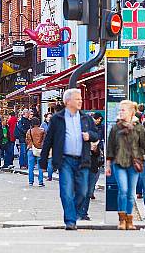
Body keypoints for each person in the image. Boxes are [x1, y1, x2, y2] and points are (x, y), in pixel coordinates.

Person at [40, 89, 99, 231]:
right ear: (68, 102)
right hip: (65, 160)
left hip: (82, 160)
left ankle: (73, 212)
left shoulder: (86, 118)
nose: (80, 101)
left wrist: (89, 136)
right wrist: (43, 161)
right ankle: (70, 220)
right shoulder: (57, 119)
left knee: (83, 191)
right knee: (66, 190)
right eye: (77, 99)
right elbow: (49, 140)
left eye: (80, 99)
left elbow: (96, 135)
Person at [106, 100, 145, 231]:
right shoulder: (116, 127)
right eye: (120, 110)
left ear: (131, 112)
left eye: (123, 110)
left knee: (131, 193)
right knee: (123, 190)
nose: (120, 112)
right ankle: (121, 220)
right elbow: (110, 147)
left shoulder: (138, 127)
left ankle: (129, 219)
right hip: (119, 163)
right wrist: (108, 164)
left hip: (134, 163)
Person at [81, 140, 103, 220]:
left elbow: (97, 154)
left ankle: (84, 213)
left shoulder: (94, 135)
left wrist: (95, 149)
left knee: (89, 192)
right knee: (82, 190)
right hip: (82, 166)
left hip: (92, 167)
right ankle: (80, 212)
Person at [26, 118, 45, 187]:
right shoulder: (42, 131)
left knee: (30, 166)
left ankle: (31, 182)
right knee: (40, 166)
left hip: (31, 149)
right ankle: (40, 182)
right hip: (39, 149)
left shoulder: (29, 131)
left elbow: (27, 140)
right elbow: (45, 140)